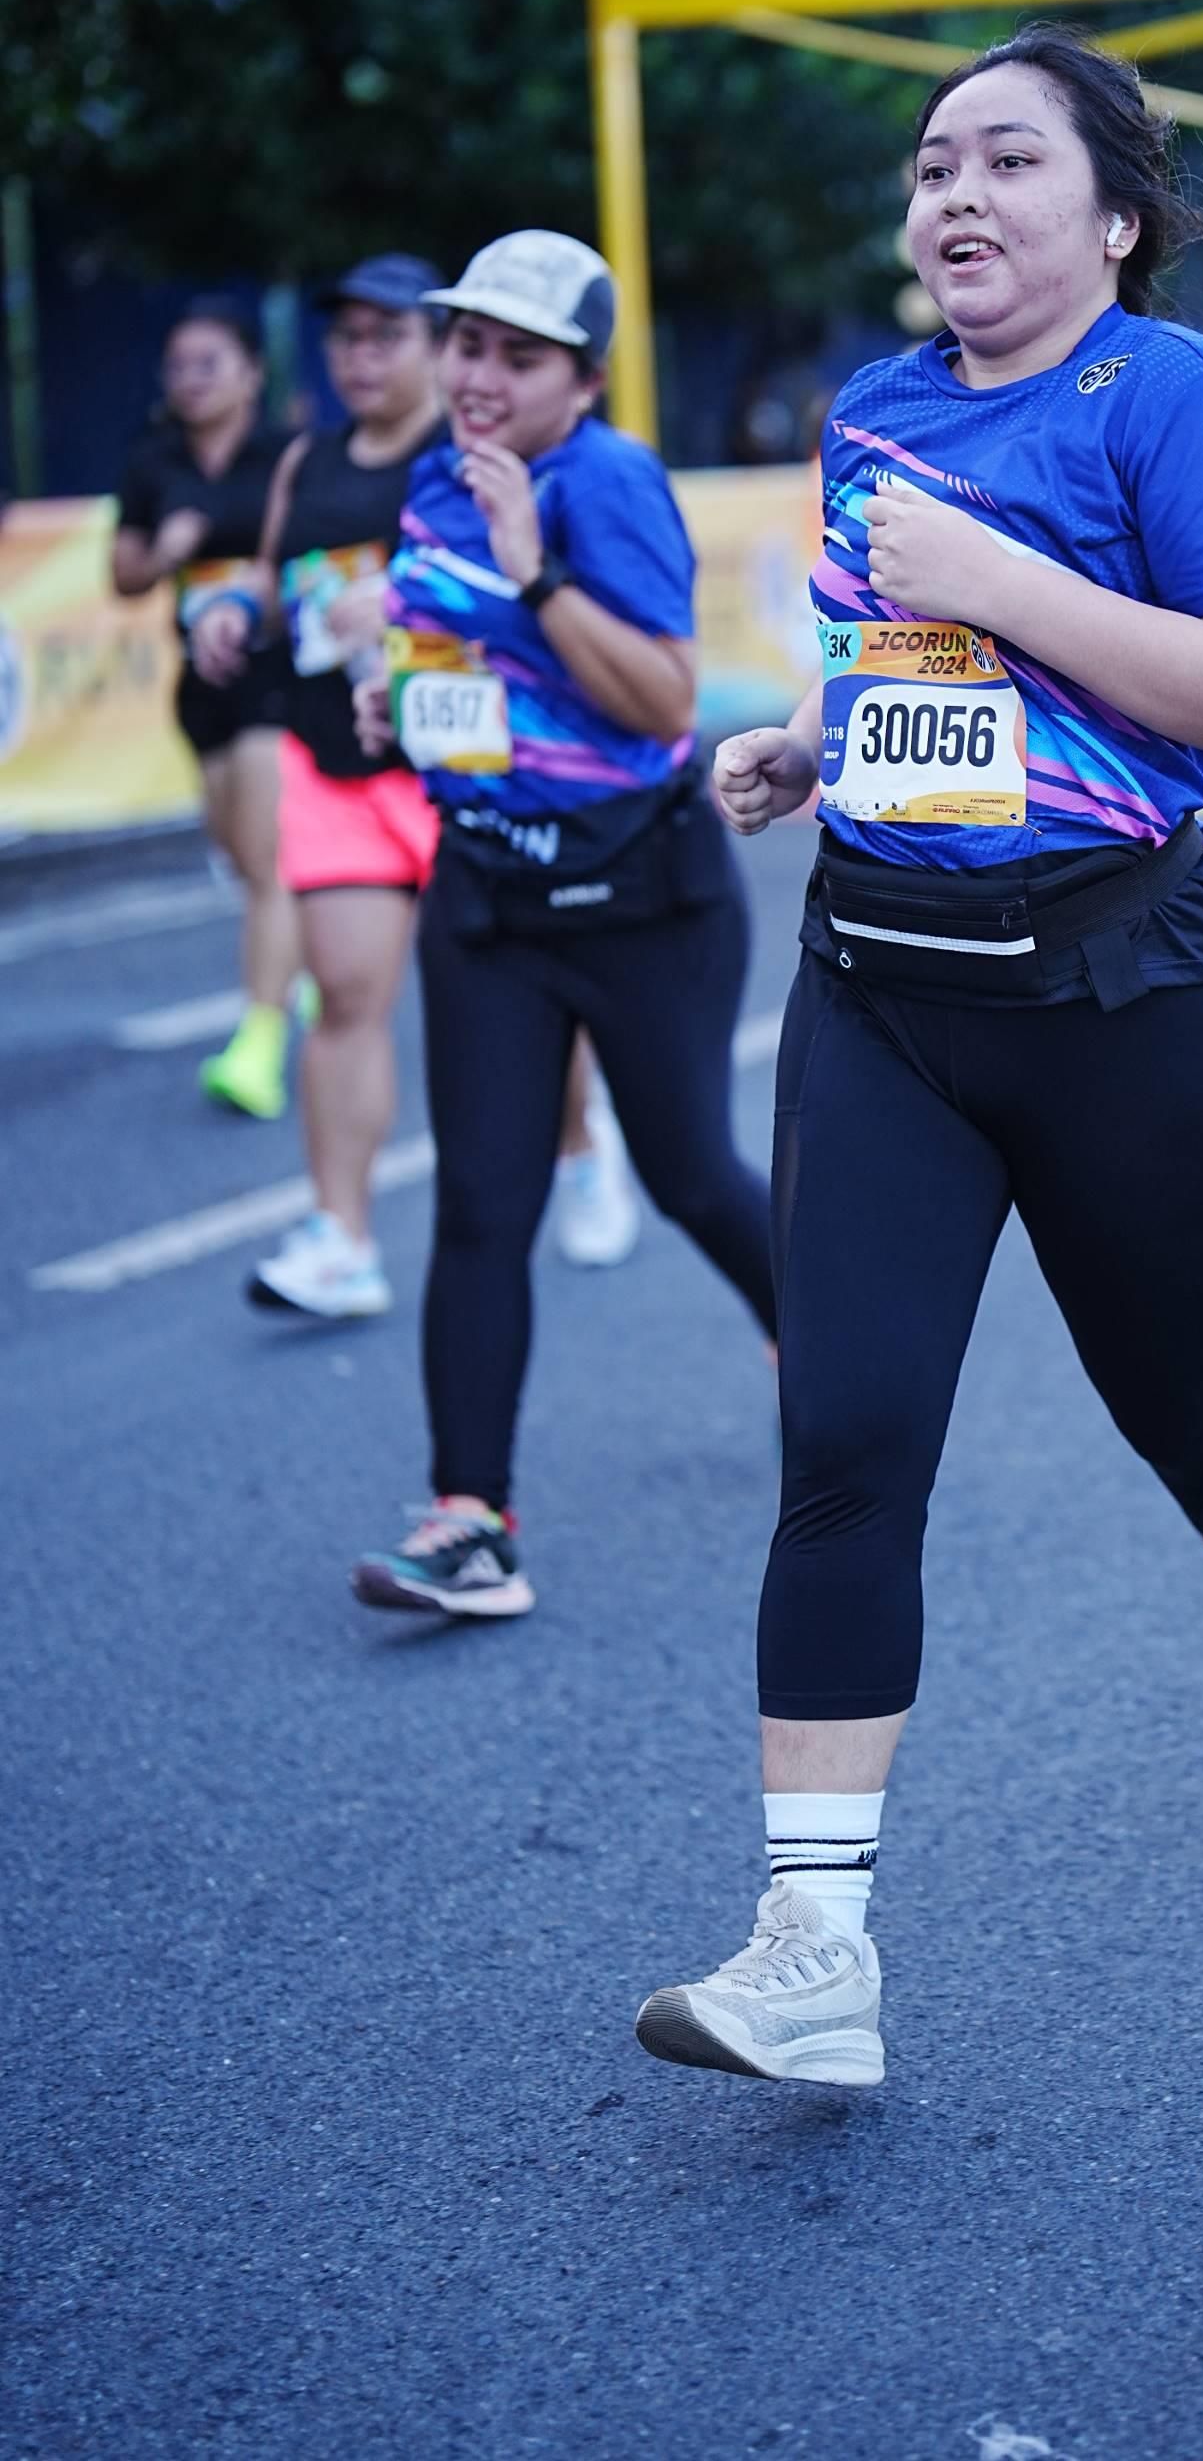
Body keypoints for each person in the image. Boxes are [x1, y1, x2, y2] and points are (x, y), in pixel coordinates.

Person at [634, 26, 1203, 2091]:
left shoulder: (1178, 396)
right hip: (883, 988)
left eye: (1006, 161)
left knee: (1182, 1414)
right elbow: (901, 651)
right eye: (933, 164)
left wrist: (1005, 583)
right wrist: (812, 733)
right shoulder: (876, 412)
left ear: (1115, 219)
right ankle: (814, 1951)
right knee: (848, 1441)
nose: (953, 194)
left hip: (1131, 1000)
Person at [344, 231, 776, 1616]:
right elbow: (456, 656)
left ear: (582, 381)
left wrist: (536, 572)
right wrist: (402, 699)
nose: (478, 377)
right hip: (488, 896)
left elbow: (661, 701)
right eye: (466, 345)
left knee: (689, 1173)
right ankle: (470, 1521)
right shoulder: (439, 476)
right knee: (482, 1204)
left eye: (518, 358)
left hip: (643, 900)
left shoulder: (608, 481)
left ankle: (822, 1347)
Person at [193, 256, 451, 1313]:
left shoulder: (468, 454)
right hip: (333, 763)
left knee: (510, 1002)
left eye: (387, 336)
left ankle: (580, 1140)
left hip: (458, 766)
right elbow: (273, 572)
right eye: (346, 336)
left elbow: (521, 581)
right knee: (344, 997)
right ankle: (342, 1239)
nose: (361, 356)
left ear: (438, 346)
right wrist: (232, 610)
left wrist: (408, 596)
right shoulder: (308, 456)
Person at [112, 300, 301, 1117]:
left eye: (209, 363)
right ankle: (302, 959)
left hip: (277, 675)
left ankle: (260, 1043)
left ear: (252, 372)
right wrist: (167, 551)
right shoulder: (154, 461)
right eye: (178, 366)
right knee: (236, 848)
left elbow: (315, 554)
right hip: (201, 683)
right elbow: (123, 574)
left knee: (266, 856)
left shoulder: (286, 455)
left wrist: (262, 595)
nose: (191, 380)